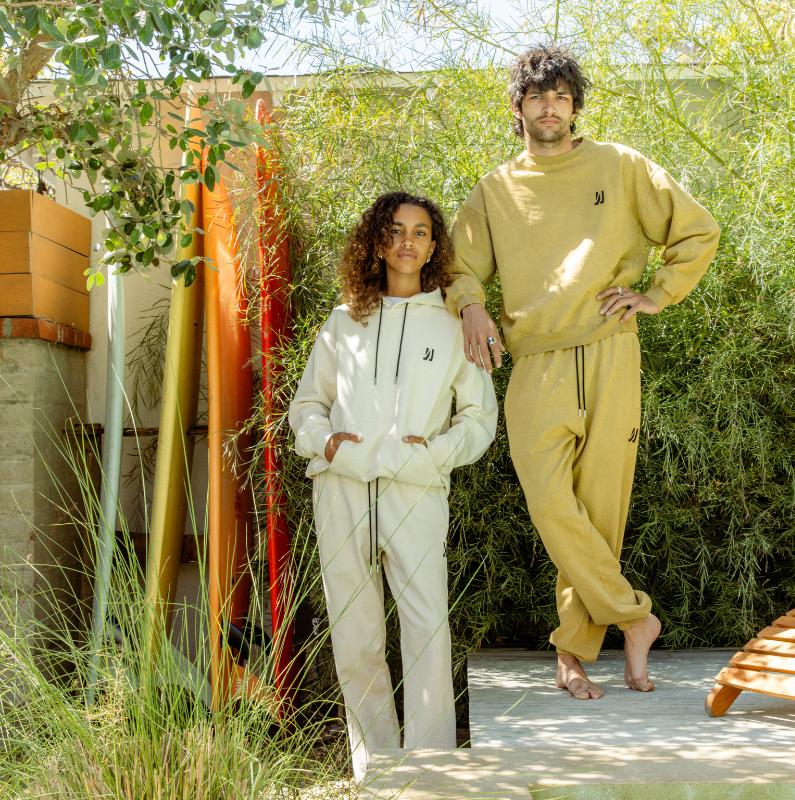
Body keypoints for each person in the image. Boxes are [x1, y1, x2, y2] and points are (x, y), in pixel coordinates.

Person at [446, 45, 720, 699]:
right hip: (535, 360)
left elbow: (697, 231)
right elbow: (456, 265)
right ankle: (635, 617)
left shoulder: (620, 166)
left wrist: (657, 294)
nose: (551, 108)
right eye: (538, 97)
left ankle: (573, 654)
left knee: (598, 514)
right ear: (518, 109)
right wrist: (472, 307)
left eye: (562, 97)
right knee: (549, 502)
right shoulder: (495, 190)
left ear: (575, 106)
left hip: (610, 350)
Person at [289, 192, 499, 779]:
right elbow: (307, 405)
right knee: (354, 633)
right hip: (343, 492)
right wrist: (326, 442)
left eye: (422, 232)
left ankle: (429, 768)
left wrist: (434, 456)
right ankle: (377, 768)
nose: (409, 241)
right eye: (397, 230)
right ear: (376, 242)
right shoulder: (341, 322)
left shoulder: (455, 323)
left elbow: (479, 417)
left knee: (427, 626)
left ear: (435, 246)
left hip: (416, 493)